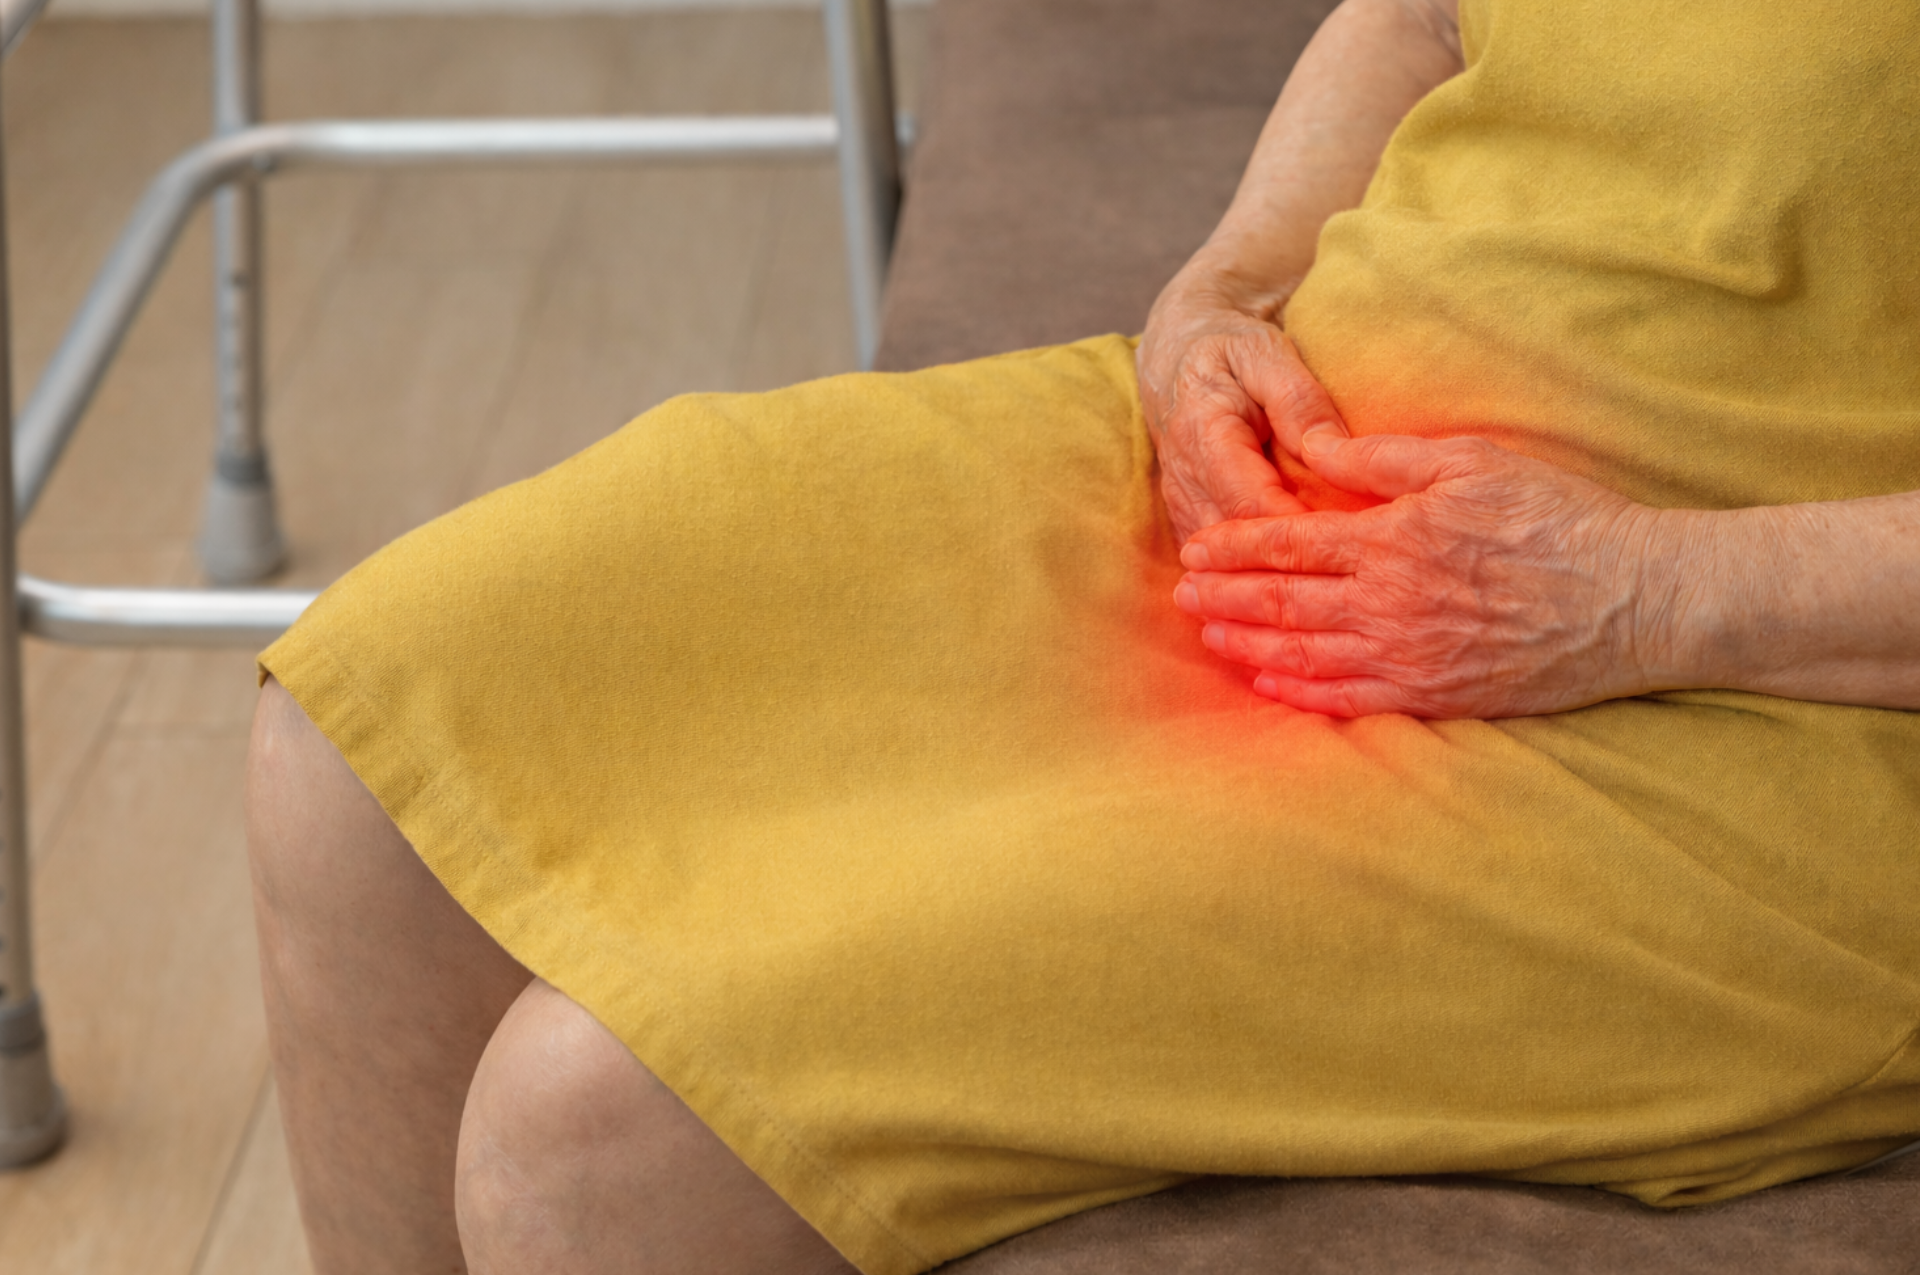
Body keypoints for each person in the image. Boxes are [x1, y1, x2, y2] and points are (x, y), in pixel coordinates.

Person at [245, 0, 1920, 1271]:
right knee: (357, 747)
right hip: (1281, 481)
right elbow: (1419, 13)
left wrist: (1634, 591)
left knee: (591, 1128)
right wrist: (1224, 295)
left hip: (1752, 702)